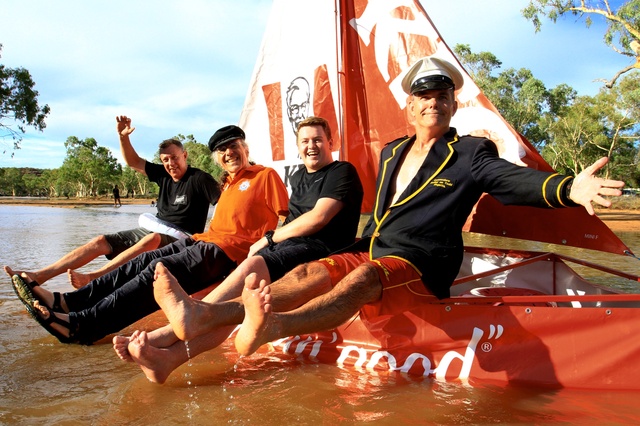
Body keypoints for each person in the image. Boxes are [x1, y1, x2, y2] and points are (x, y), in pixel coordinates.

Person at [228, 55, 626, 358]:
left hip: (424, 262)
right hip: (376, 247)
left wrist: (570, 188)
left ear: (453, 106)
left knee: (362, 278)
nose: (433, 103)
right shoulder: (391, 152)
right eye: (424, 97)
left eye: (442, 97)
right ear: (410, 107)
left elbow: (511, 179)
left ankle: (274, 326)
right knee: (309, 271)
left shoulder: (471, 152)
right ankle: (211, 316)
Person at [112, 117, 364, 383]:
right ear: (298, 146)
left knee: (252, 268)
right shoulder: (299, 175)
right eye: (305, 141)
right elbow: (291, 219)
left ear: (330, 142)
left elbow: (318, 218)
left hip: (322, 247)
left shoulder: (341, 171)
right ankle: (168, 359)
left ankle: (173, 328)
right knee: (239, 303)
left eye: (317, 140)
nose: (311, 146)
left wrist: (268, 239)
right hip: (294, 245)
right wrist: (269, 241)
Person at [10, 124, 290, 346]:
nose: (228, 152)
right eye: (222, 150)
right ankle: (68, 302)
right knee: (141, 262)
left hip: (224, 253)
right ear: (217, 157)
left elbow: (286, 218)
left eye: (233, 146)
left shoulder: (264, 176)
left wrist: (268, 250)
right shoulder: (228, 182)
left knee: (155, 275)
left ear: (245, 148)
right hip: (201, 241)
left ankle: (83, 326)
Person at [4, 116, 220, 289]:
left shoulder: (199, 179)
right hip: (155, 230)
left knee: (152, 238)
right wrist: (123, 137)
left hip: (182, 239)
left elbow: (223, 202)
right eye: (165, 159)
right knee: (101, 241)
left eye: (174, 157)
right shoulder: (162, 175)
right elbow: (133, 162)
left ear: (184, 155)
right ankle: (39, 276)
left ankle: (95, 277)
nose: (170, 163)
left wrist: (214, 238)